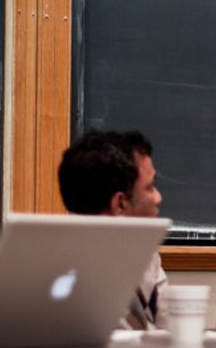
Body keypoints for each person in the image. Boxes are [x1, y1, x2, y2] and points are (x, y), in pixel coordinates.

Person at [58, 129, 165, 330]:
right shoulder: (66, 281)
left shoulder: (146, 258)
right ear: (120, 204)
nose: (158, 198)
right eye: (150, 188)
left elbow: (173, 331)